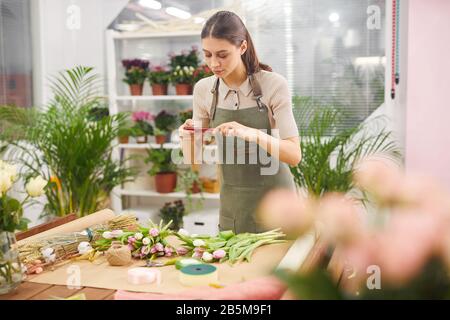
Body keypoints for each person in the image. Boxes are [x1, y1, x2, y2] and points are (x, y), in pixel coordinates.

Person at [179, 11, 301, 234]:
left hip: (276, 201)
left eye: (223, 54)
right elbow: (192, 160)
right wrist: (187, 136)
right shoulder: (204, 90)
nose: (214, 63)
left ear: (242, 47)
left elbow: (294, 155)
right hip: (233, 202)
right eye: (207, 55)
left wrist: (253, 133)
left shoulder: (273, 85)